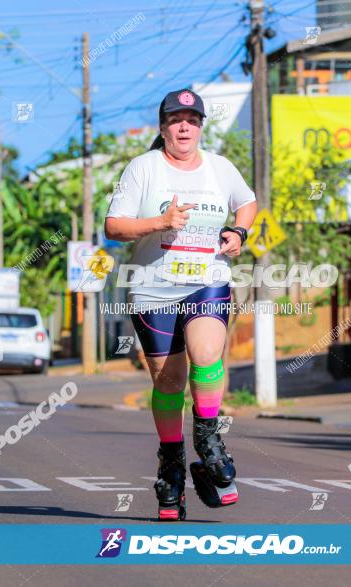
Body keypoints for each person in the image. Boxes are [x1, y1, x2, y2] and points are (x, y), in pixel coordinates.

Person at [104, 88, 257, 521]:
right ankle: (171, 463)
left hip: (206, 282)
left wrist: (239, 233)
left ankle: (208, 439)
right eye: (176, 119)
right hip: (153, 288)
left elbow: (246, 203)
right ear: (163, 127)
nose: (184, 126)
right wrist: (161, 222)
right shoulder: (142, 169)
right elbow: (114, 225)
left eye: (192, 119)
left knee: (207, 353)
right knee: (169, 382)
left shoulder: (220, 168)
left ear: (201, 126)